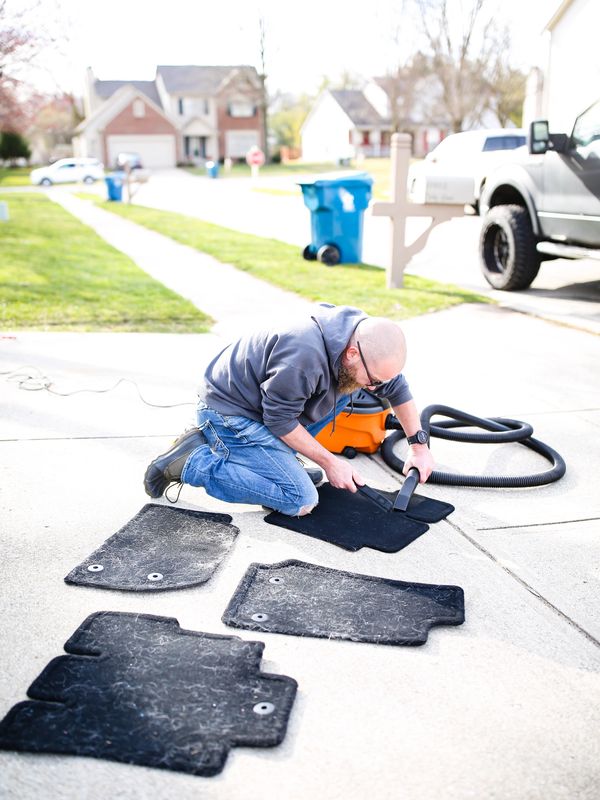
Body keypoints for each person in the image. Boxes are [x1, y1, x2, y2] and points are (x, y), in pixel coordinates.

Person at [144, 303, 434, 516]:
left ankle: (277, 464)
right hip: (230, 413)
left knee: (352, 387)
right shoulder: (303, 356)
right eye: (373, 379)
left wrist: (419, 448)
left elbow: (395, 388)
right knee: (299, 500)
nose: (375, 388)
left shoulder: (359, 339)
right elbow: (279, 419)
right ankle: (191, 462)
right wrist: (330, 462)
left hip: (269, 407)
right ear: (352, 353)